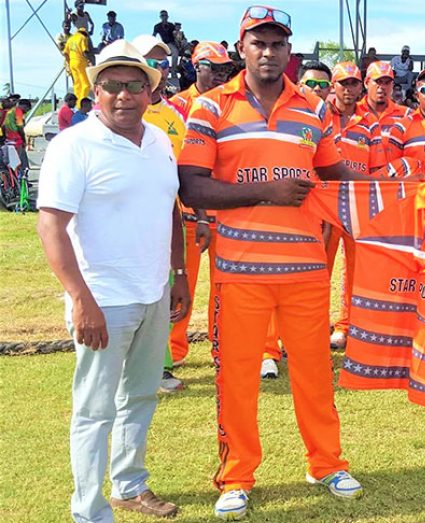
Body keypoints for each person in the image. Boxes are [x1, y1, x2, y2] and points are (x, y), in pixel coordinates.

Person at [177, 7, 366, 519]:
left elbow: (334, 172)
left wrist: (399, 192)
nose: (268, 51)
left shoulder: (313, 108)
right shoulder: (211, 108)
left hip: (306, 269)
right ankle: (237, 475)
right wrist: (268, 192)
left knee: (314, 375)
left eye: (277, 43)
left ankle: (326, 463)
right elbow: (192, 185)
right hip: (239, 272)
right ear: (241, 48)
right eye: (258, 43)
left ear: (289, 51)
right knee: (236, 377)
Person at [36, 39, 187, 523]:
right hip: (103, 299)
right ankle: (89, 510)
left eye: (134, 86)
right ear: (96, 91)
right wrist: (81, 299)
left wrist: (178, 273)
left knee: (140, 397)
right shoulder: (73, 146)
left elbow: (172, 210)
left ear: (149, 92)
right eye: (112, 86)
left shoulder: (159, 141)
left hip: (153, 292)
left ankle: (128, 486)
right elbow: (51, 226)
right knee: (94, 410)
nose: (124, 95)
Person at [169, 41, 235, 373]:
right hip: (189, 212)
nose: (222, 75)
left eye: (226, 69)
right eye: (215, 68)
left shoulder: (233, 105)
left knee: (225, 287)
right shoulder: (177, 107)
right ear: (198, 67)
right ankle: (174, 349)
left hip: (225, 210)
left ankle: (221, 346)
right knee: (184, 283)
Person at [132, 34, 189, 393]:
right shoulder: (115, 111)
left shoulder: (173, 115)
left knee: (165, 292)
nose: (161, 71)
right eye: (153, 63)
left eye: (165, 64)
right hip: (128, 222)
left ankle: (161, 367)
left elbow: (183, 170)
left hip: (167, 218)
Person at [325, 61, 385, 349]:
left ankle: (346, 325)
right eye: (343, 83)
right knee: (317, 267)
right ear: (333, 86)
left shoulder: (369, 121)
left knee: (355, 270)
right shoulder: (320, 114)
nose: (348, 89)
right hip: (322, 202)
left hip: (357, 205)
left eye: (353, 84)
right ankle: (310, 323)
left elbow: (377, 169)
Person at [356, 60, 412, 139]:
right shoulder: (352, 113)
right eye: (378, 81)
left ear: (392, 85)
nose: (382, 87)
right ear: (366, 83)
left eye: (387, 82)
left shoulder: (407, 115)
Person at [3, 98, 31, 170]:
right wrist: (24, 140)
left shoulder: (9, 111)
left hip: (7, 139)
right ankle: (22, 178)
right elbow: (20, 127)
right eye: (27, 109)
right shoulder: (18, 111)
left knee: (11, 161)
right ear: (24, 106)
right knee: (21, 162)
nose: (26, 112)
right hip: (16, 140)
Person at [66, 27, 92, 101]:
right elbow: (85, 52)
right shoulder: (83, 38)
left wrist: (68, 61)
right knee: (86, 84)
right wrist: (89, 61)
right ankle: (82, 101)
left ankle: (77, 102)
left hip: (72, 63)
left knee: (77, 84)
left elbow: (65, 53)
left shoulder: (70, 39)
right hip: (80, 62)